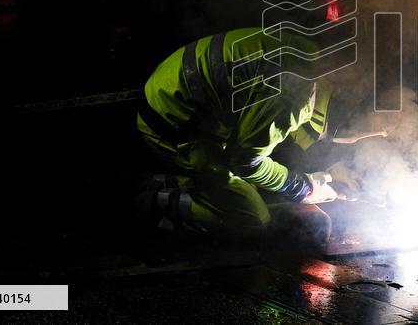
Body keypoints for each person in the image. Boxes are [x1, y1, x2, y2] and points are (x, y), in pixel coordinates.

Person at [134, 27, 345, 250]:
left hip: (179, 102)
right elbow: (246, 162)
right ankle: (150, 199)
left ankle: (185, 182)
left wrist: (332, 175)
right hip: (174, 127)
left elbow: (295, 132)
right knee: (251, 218)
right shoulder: (293, 97)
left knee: (258, 182)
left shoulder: (314, 67)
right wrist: (301, 188)